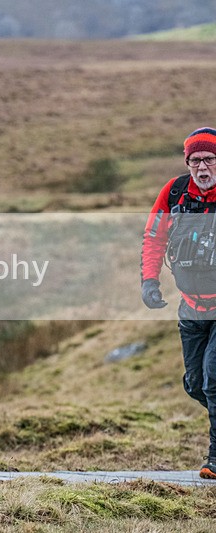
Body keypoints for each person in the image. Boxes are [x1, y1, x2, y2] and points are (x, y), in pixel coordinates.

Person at [141, 127, 216, 479]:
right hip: (190, 307)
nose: (202, 168)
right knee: (195, 384)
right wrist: (149, 282)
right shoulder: (174, 193)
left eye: (209, 159)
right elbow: (155, 235)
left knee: (214, 379)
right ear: (187, 162)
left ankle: (215, 459)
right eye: (195, 160)